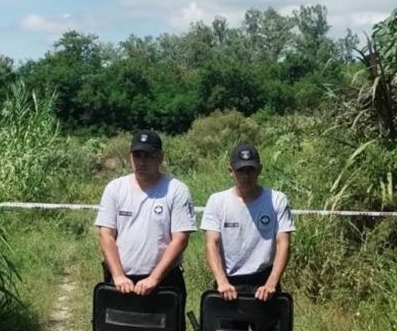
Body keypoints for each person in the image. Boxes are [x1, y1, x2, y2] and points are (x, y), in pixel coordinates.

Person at [95, 130, 196, 305]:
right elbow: (106, 235)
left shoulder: (176, 190)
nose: (142, 162)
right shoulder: (115, 188)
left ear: (161, 158)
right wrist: (118, 276)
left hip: (164, 282)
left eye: (149, 156)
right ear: (130, 157)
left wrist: (154, 278)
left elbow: (180, 239)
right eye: (137, 155)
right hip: (121, 282)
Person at [201, 143, 294, 301]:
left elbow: (283, 243)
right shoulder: (217, 201)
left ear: (259, 170)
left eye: (250, 170)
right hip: (228, 284)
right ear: (230, 171)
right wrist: (221, 281)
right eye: (240, 170)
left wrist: (272, 283)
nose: (246, 176)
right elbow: (212, 244)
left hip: (264, 282)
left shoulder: (277, 200)